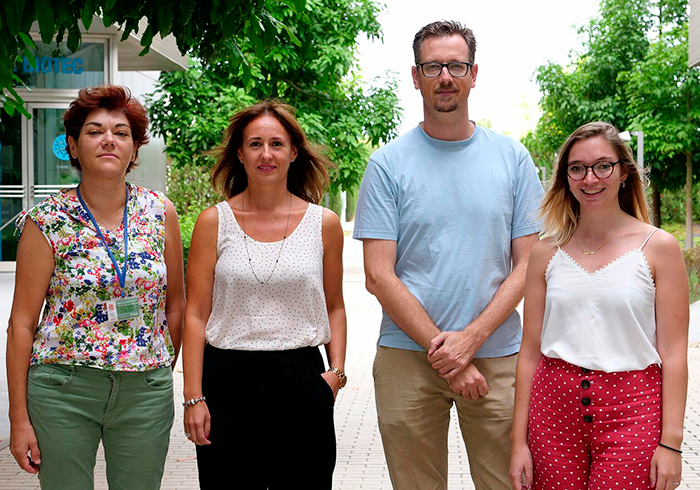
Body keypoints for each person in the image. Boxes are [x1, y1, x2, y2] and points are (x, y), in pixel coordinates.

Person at [353, 20, 544, 490]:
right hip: (406, 359)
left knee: (508, 483)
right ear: (415, 76)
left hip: (498, 356)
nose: (445, 76)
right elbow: (378, 276)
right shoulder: (387, 165)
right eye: (433, 66)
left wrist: (470, 341)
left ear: (473, 74)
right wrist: (451, 354)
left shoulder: (512, 158)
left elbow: (530, 265)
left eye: (455, 65)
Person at [6, 85, 185, 489]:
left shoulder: (160, 212)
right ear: (72, 144)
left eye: (122, 132)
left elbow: (176, 305)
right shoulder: (46, 221)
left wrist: (157, 368)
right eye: (94, 131)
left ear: (135, 148)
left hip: (145, 391)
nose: (109, 139)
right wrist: (19, 418)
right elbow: (20, 325)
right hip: (63, 389)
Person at [509, 122, 688, 490]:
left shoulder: (659, 248)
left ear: (623, 172)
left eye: (603, 165)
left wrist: (671, 443)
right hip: (552, 412)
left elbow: (673, 354)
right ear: (566, 177)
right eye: (577, 168)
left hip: (633, 410)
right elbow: (529, 353)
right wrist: (518, 442)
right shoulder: (546, 252)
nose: (590, 178)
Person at [182, 100, 347, 489]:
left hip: (303, 379)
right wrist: (193, 395)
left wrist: (335, 374)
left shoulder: (324, 224)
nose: (266, 154)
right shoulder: (212, 222)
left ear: (293, 151)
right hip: (227, 381)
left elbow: (336, 305)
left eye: (277, 143)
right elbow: (195, 314)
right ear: (239, 153)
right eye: (255, 144)